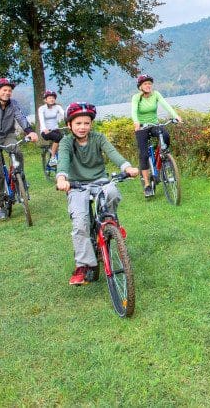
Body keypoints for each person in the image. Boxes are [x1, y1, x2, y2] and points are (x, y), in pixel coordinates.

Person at [55, 102, 139, 286]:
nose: (82, 127)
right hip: (76, 186)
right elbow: (63, 161)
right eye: (78, 123)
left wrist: (127, 167)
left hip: (100, 180)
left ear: (91, 124)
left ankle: (111, 223)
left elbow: (113, 153)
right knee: (80, 223)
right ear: (69, 125)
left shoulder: (98, 138)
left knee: (112, 191)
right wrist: (62, 178)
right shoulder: (66, 142)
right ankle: (84, 265)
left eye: (86, 123)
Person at [0, 77, 39, 220]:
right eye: (4, 90)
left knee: (16, 150)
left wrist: (30, 131)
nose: (7, 93)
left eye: (9, 90)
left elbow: (21, 118)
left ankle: (20, 178)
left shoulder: (14, 104)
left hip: (7, 136)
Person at [131, 75, 181, 198]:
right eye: (145, 84)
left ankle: (163, 156)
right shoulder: (136, 98)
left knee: (165, 135)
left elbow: (166, 105)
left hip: (154, 124)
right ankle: (147, 185)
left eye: (149, 84)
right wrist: (136, 122)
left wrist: (176, 116)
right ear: (140, 87)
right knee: (143, 154)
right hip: (142, 127)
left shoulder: (156, 94)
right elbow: (133, 111)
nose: (148, 86)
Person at [38, 90, 66, 166]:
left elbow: (64, 115)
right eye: (49, 98)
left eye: (53, 98)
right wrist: (44, 128)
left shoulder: (57, 107)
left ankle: (61, 155)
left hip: (55, 129)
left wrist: (70, 122)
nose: (52, 99)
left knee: (66, 139)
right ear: (45, 100)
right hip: (46, 132)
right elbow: (41, 120)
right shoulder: (42, 108)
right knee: (58, 137)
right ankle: (53, 158)